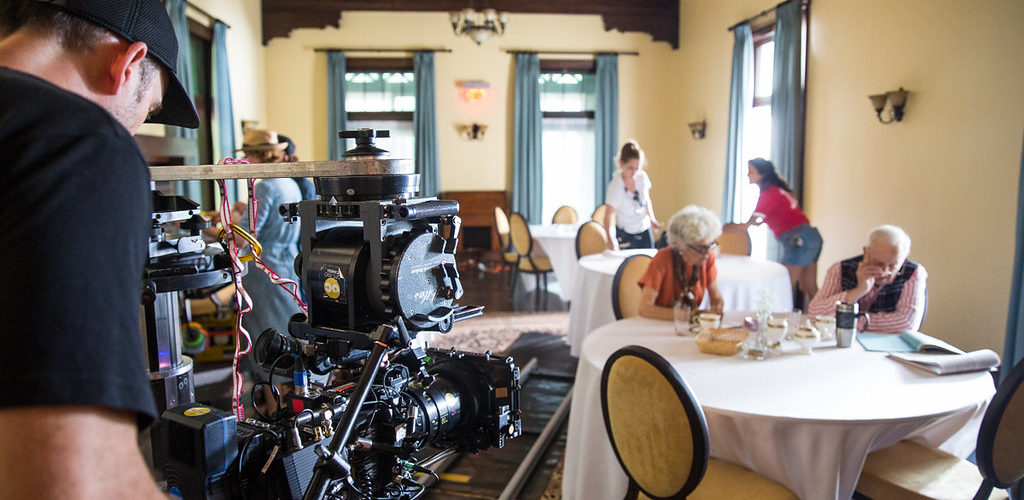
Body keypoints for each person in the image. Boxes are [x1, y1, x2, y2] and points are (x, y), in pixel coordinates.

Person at [0, 0, 199, 497]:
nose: (131, 131)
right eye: (147, 111)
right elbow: (76, 482)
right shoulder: (79, 143)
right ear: (128, 64)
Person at [232, 129, 305, 342]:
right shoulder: (289, 183)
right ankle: (294, 371)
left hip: (264, 267)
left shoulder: (264, 188)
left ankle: (273, 373)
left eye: (248, 155)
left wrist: (214, 226)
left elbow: (243, 237)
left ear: (258, 155)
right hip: (288, 261)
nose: (245, 160)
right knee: (290, 320)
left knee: (266, 331)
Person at [808, 225, 928, 333]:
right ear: (866, 252)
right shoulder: (839, 269)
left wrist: (852, 321)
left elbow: (906, 323)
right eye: (878, 263)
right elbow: (814, 314)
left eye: (893, 266)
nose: (884, 272)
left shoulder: (914, 273)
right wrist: (858, 291)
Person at [743, 157, 823, 307]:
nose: (748, 175)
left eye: (750, 171)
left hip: (798, 239)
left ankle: (777, 322)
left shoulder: (769, 193)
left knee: (784, 285)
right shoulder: (780, 190)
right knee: (810, 287)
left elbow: (752, 221)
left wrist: (732, 229)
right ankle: (819, 318)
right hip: (811, 237)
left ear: (762, 174)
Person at [637, 205, 724, 321]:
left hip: (688, 328)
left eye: (710, 245)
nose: (707, 253)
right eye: (701, 248)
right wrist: (690, 316)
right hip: (658, 326)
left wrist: (717, 306)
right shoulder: (663, 259)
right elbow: (645, 309)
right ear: (682, 246)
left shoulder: (707, 258)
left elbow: (716, 297)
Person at [602, 140, 662, 250]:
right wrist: (610, 240)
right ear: (621, 164)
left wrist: (652, 218)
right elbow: (607, 217)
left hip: (645, 231)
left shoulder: (642, 178)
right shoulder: (615, 186)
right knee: (630, 266)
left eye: (637, 168)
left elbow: (646, 200)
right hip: (626, 235)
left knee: (648, 263)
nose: (634, 172)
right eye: (630, 168)